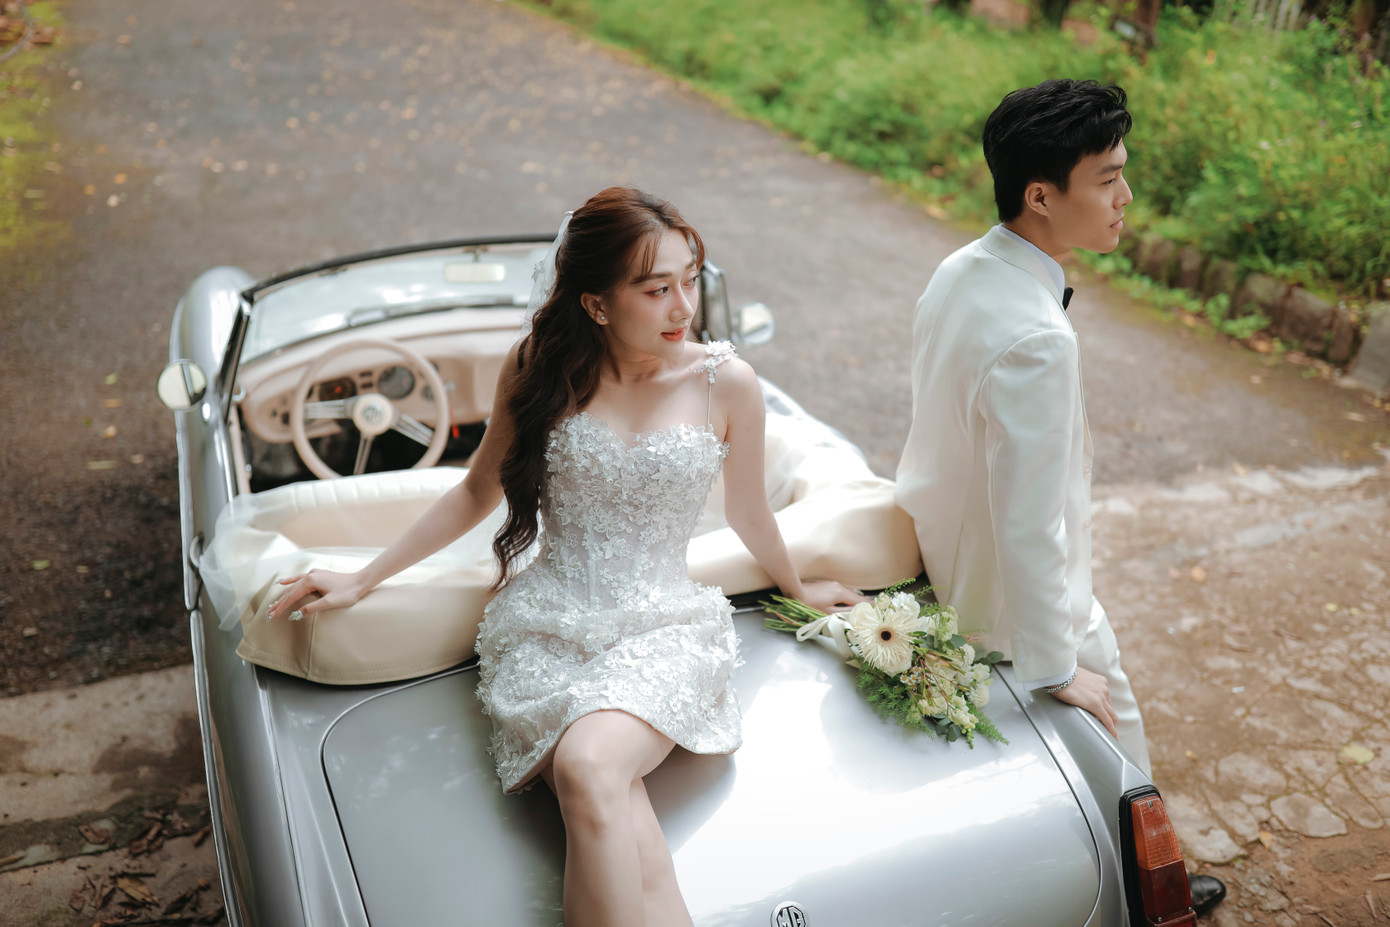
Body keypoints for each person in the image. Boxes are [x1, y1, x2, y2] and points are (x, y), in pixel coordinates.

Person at [268, 186, 865, 927]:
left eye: (689, 280)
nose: (683, 307)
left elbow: (748, 511)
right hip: (546, 633)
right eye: (656, 289)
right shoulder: (538, 369)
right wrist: (361, 578)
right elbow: (476, 491)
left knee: (588, 764)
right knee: (626, 829)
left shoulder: (726, 382)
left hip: (664, 631)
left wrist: (798, 586)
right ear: (595, 304)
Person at [894, 80, 1224, 914]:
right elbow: (1030, 520)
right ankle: (1150, 894)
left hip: (946, 550)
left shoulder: (961, 268)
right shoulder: (1037, 336)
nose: (1126, 196)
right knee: (1118, 745)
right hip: (1015, 602)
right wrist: (1056, 661)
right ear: (1041, 196)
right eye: (1108, 178)